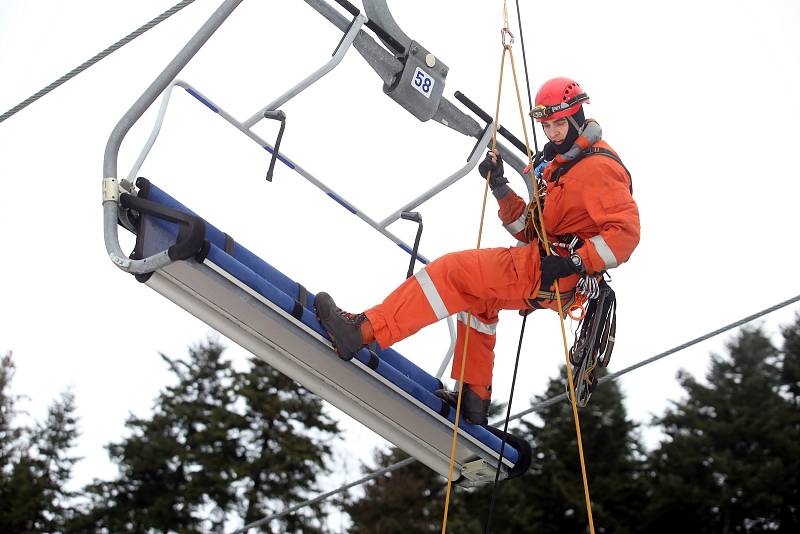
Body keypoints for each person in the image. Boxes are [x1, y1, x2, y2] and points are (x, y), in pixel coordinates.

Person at [315, 77, 640, 425]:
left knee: (452, 273)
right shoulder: (562, 167)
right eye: (546, 126)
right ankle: (474, 397)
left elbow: (626, 235)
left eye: (559, 123)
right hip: (548, 267)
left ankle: (363, 331)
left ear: (578, 117)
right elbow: (531, 231)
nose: (553, 134)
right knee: (477, 301)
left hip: (555, 271)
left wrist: (574, 261)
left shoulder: (597, 167)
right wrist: (500, 187)